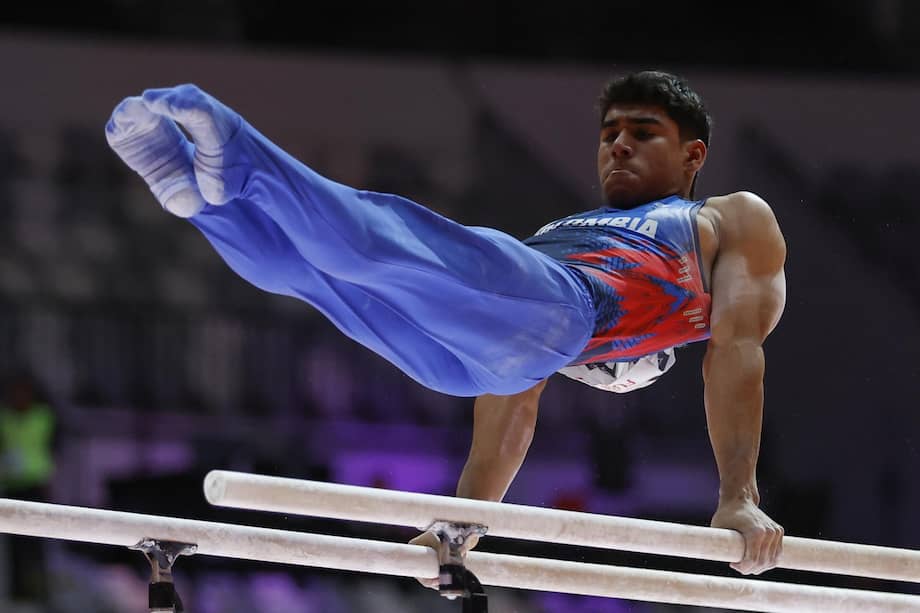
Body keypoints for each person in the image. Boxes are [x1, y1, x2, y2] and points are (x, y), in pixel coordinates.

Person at [105, 70, 786, 579]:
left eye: (643, 133)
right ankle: (197, 192)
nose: (618, 147)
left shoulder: (728, 217)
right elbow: (513, 402)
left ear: (694, 155)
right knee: (334, 269)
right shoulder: (559, 230)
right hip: (502, 340)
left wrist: (739, 497)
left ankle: (230, 171)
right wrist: (467, 524)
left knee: (351, 259)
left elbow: (736, 348)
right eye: (609, 134)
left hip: (566, 307)